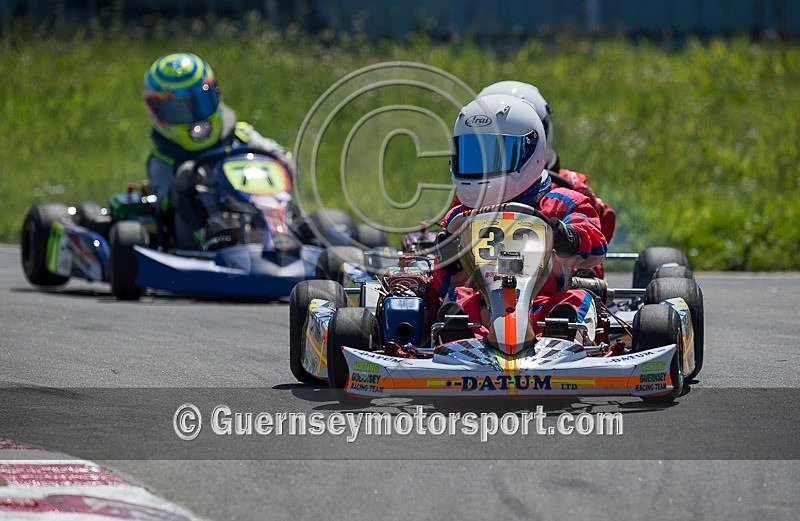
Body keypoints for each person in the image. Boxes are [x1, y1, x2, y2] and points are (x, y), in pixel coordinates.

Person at [434, 94, 607, 343]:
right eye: (473, 156)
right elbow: (442, 285)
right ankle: (461, 339)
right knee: (457, 299)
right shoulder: (460, 216)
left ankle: (565, 336)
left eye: (495, 155)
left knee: (579, 299)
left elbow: (596, 245)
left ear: (530, 152)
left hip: (544, 308)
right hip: (485, 311)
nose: (483, 166)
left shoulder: (561, 203)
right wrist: (450, 260)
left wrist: (567, 237)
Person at [142, 52, 295, 249]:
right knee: (194, 202)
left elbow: (277, 153)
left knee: (309, 214)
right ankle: (217, 245)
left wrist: (286, 161)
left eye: (201, 101)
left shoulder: (241, 134)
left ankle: (293, 232)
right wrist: (181, 183)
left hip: (259, 206)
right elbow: (164, 203)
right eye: (178, 109)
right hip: (203, 231)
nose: (194, 115)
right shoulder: (163, 159)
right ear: (157, 112)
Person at [476, 80, 616, 266]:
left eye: (508, 149)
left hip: (559, 273)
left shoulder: (568, 191)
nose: (498, 157)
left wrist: (566, 236)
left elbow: (602, 229)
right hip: (483, 276)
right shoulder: (470, 197)